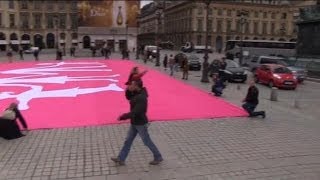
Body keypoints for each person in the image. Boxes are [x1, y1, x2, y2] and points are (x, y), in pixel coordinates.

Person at [111, 80, 163, 166]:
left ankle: (158, 156)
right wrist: (127, 89)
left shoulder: (142, 98)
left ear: (136, 86)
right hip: (134, 122)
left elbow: (135, 112)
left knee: (146, 141)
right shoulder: (136, 93)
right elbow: (128, 97)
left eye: (131, 85)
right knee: (128, 141)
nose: (130, 86)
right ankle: (121, 158)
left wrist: (122, 117)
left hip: (141, 124)